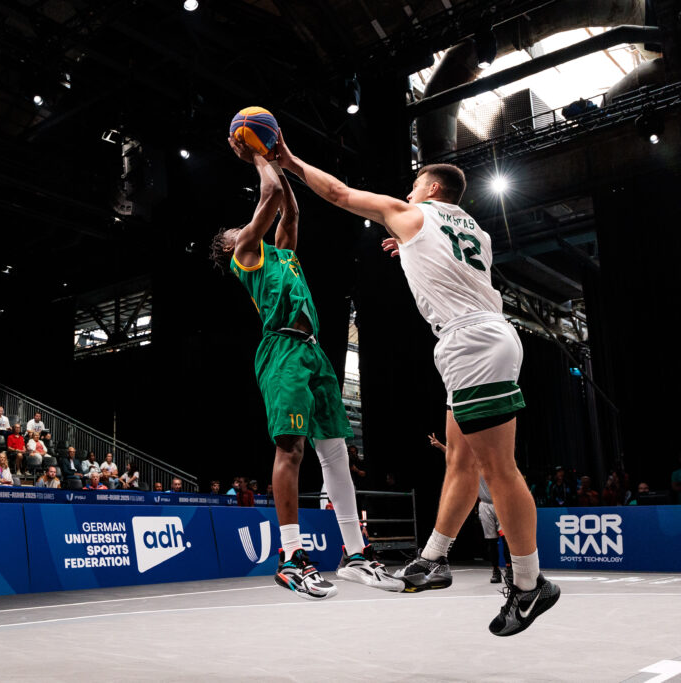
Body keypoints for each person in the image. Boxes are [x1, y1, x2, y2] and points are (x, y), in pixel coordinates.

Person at [278, 135, 558, 632]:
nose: (406, 195)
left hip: (471, 343)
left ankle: (531, 584)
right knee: (460, 460)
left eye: (412, 187)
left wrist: (288, 159)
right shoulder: (475, 230)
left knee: (499, 470)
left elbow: (340, 194)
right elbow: (450, 266)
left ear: (430, 187)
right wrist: (408, 248)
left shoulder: (412, 213)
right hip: (480, 338)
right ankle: (434, 558)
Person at [210, 139, 395, 599]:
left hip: (313, 351)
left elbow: (288, 212)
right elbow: (269, 196)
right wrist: (257, 157)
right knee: (290, 450)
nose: (243, 228)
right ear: (232, 246)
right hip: (282, 352)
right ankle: (290, 557)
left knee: (337, 455)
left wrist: (281, 164)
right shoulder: (246, 256)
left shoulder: (283, 254)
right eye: (238, 228)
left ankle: (355, 553)